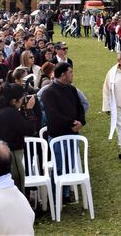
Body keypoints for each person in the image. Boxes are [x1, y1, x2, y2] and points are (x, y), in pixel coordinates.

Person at [40, 63, 86, 202]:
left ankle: (65, 194)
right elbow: (53, 114)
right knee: (59, 167)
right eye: (70, 72)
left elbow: (80, 107)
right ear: (62, 75)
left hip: (73, 133)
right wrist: (72, 124)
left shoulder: (71, 89)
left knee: (69, 165)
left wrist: (81, 122)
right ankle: (56, 196)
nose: (72, 74)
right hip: (58, 135)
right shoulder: (48, 92)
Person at [0, 84, 38, 192]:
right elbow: (29, 130)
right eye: (21, 99)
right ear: (13, 101)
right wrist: (29, 110)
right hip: (12, 154)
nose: (22, 101)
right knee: (18, 186)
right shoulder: (10, 112)